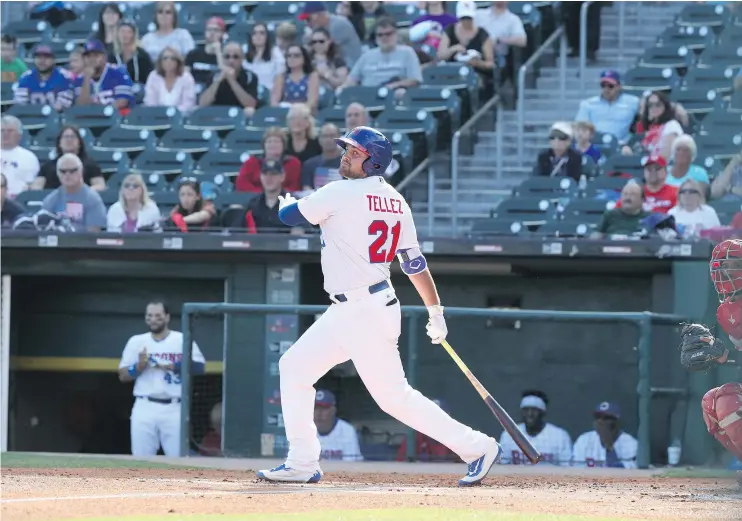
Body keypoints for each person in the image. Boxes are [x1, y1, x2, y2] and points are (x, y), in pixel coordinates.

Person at [256, 126, 502, 486]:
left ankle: (477, 447)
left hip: (364, 310)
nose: (345, 155)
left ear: (373, 162)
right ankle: (303, 461)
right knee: (294, 367)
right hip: (356, 308)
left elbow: (287, 218)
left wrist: (285, 202)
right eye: (347, 150)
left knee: (394, 399)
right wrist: (435, 309)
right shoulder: (396, 200)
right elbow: (414, 263)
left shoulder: (340, 191)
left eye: (355, 152)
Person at [117, 300, 206, 457]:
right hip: (145, 405)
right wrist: (138, 366)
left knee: (178, 459)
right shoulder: (137, 341)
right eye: (150, 316)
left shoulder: (181, 339)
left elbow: (199, 367)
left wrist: (173, 365)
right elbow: (123, 376)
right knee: (141, 459)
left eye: (158, 315)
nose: (153, 319)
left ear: (167, 317)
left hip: (174, 406)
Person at [700, 240, 742, 484]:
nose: (726, 273)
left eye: (734, 266)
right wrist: (727, 355)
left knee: (728, 401)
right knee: (713, 401)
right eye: (722, 267)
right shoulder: (726, 312)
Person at [342, 17, 422, 97]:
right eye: (380, 35)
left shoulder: (407, 52)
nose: (384, 38)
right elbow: (352, 79)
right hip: (367, 95)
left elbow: (415, 80)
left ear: (396, 34)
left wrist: (393, 86)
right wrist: (342, 89)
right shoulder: (367, 55)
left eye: (388, 34)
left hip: (394, 94)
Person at [498, 390, 572, 466]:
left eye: (534, 410)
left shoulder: (560, 436)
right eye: (526, 410)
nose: (530, 414)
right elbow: (502, 466)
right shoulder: (509, 434)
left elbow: (567, 469)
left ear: (543, 413)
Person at [437, 1, 494, 95]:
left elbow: (491, 63)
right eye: (463, 18)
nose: (466, 21)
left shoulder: (482, 34)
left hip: (475, 74)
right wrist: (453, 49)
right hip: (452, 73)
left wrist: (478, 63)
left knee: (472, 86)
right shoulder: (449, 30)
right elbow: (440, 55)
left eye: (469, 18)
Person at [40, 154, 107, 232]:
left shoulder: (92, 199)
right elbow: (43, 230)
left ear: (81, 171)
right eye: (63, 171)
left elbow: (93, 234)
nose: (67, 175)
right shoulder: (50, 199)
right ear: (57, 173)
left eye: (73, 171)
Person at [574, 71, 640, 144]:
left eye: (610, 86)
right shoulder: (588, 104)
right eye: (603, 85)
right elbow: (580, 126)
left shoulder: (633, 102)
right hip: (595, 144)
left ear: (619, 86)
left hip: (622, 144)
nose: (606, 89)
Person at [33, 125, 105, 191]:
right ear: (59, 143)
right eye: (66, 137)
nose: (69, 140)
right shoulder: (48, 166)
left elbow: (100, 186)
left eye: (73, 137)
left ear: (79, 143)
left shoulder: (90, 164)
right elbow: (37, 186)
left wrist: (82, 193)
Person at [242, 159, 302, 234]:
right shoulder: (253, 204)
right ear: (260, 177)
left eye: (273, 174)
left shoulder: (294, 203)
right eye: (265, 174)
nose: (269, 178)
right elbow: (238, 231)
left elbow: (305, 231)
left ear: (282, 177)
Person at [235, 127, 302, 193]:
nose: (272, 144)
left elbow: (294, 186)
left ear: (283, 145)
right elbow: (241, 182)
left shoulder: (293, 163)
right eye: (269, 142)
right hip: (254, 199)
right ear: (264, 145)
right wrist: (262, 195)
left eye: (277, 141)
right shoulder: (252, 162)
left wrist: (275, 194)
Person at [572, 402, 638, 468]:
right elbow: (577, 470)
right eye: (597, 417)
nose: (600, 421)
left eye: (606, 418)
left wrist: (609, 446)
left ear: (617, 422)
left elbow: (625, 474)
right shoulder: (584, 440)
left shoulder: (631, 444)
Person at [74, 39, 135, 111]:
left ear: (104, 57)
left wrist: (101, 111)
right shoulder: (80, 78)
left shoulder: (118, 72)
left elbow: (123, 102)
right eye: (88, 56)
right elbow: (80, 106)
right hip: (90, 119)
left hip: (118, 118)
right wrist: (87, 78)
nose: (92, 59)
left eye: (96, 55)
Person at [198, 42, 259, 114]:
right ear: (222, 59)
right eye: (227, 57)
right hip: (217, 112)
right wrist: (218, 81)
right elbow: (202, 104)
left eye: (235, 57)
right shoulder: (213, 76)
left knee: (250, 111)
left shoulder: (250, 77)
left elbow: (251, 104)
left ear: (242, 59)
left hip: (239, 114)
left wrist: (232, 81)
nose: (231, 61)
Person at [299, 1, 362, 69]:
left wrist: (310, 39)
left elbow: (322, 49)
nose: (307, 23)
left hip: (351, 67)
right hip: (335, 67)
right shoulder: (320, 27)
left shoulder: (339, 24)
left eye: (308, 19)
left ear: (319, 15)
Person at [13, 44, 74, 110]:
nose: (42, 60)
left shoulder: (64, 76)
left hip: (57, 117)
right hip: (30, 117)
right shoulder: (26, 77)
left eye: (46, 57)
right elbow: (20, 106)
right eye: (38, 57)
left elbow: (63, 107)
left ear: (53, 60)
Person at [313, 389, 363, 461]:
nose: (318, 413)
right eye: (315, 408)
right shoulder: (304, 431)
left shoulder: (346, 430)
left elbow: (351, 466)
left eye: (324, 408)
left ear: (333, 410)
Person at [143, 47, 197, 114]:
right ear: (160, 61)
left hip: (181, 118)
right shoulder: (153, 76)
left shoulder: (186, 78)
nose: (168, 61)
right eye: (165, 58)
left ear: (178, 62)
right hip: (156, 118)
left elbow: (188, 104)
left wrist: (172, 113)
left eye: (172, 59)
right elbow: (150, 102)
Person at [270, 45, 320, 113]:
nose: (292, 58)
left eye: (296, 55)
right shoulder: (281, 77)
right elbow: (274, 101)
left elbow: (313, 101)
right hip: (285, 113)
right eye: (289, 55)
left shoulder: (312, 76)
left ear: (304, 58)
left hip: (306, 113)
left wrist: (299, 112)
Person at [1, 115, 40, 198]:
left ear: (19, 135)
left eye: (10, 131)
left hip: (18, 202)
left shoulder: (29, 157)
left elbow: (31, 185)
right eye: (2, 131)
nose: (5, 134)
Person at [109, 20, 154, 86]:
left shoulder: (142, 56)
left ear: (133, 34)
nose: (125, 35)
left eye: (129, 32)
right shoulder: (111, 56)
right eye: (122, 31)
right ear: (117, 34)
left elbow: (150, 78)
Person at [185, 16, 227, 86]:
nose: (212, 33)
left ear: (222, 33)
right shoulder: (193, 54)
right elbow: (185, 76)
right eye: (209, 30)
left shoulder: (227, 55)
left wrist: (218, 52)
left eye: (216, 30)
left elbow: (225, 74)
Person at [301, 123, 343, 191]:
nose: (328, 139)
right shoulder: (309, 165)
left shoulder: (349, 164)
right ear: (319, 139)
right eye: (325, 136)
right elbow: (306, 189)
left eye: (332, 136)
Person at [244, 23, 285, 91]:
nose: (258, 36)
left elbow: (280, 76)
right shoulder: (244, 50)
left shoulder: (276, 52)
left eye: (262, 33)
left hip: (269, 93)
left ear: (267, 36)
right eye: (254, 33)